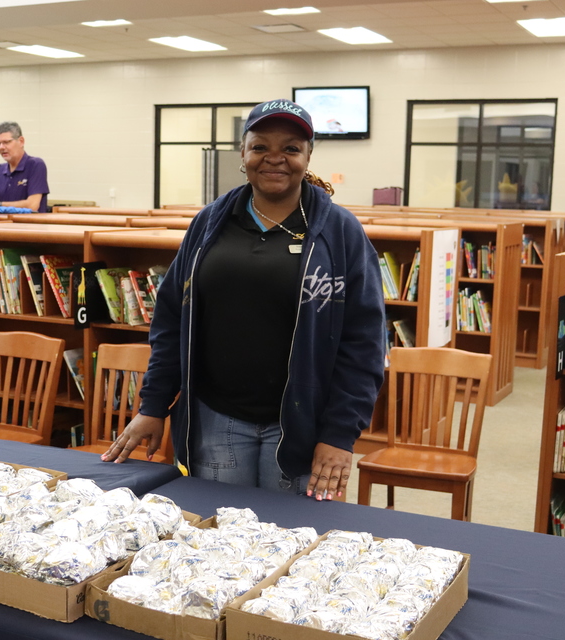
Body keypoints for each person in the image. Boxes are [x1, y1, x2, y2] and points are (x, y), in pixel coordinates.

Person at [102, 98, 385, 502]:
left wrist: (340, 433)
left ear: (308, 156)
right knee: (219, 535)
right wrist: (154, 405)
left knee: (291, 543)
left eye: (290, 148)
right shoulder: (209, 224)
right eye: (260, 147)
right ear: (243, 153)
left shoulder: (340, 233)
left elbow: (365, 343)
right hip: (217, 420)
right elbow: (170, 322)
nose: (275, 159)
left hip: (302, 426)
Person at [0, 121, 50, 213]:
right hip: (1, 226)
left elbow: (32, 205)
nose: (1, 147)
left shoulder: (35, 165)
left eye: (6, 142)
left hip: (29, 226)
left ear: (21, 141)